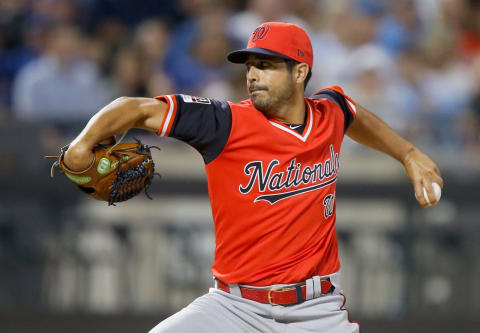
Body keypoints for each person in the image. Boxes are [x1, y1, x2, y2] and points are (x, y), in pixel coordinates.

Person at [63, 22, 443, 333]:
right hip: (232, 308)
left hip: (317, 312)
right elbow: (134, 108)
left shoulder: (330, 111)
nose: (253, 74)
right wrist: (83, 145)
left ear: (300, 72)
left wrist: (408, 154)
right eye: (250, 65)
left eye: (267, 64)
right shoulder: (224, 122)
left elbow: (355, 116)